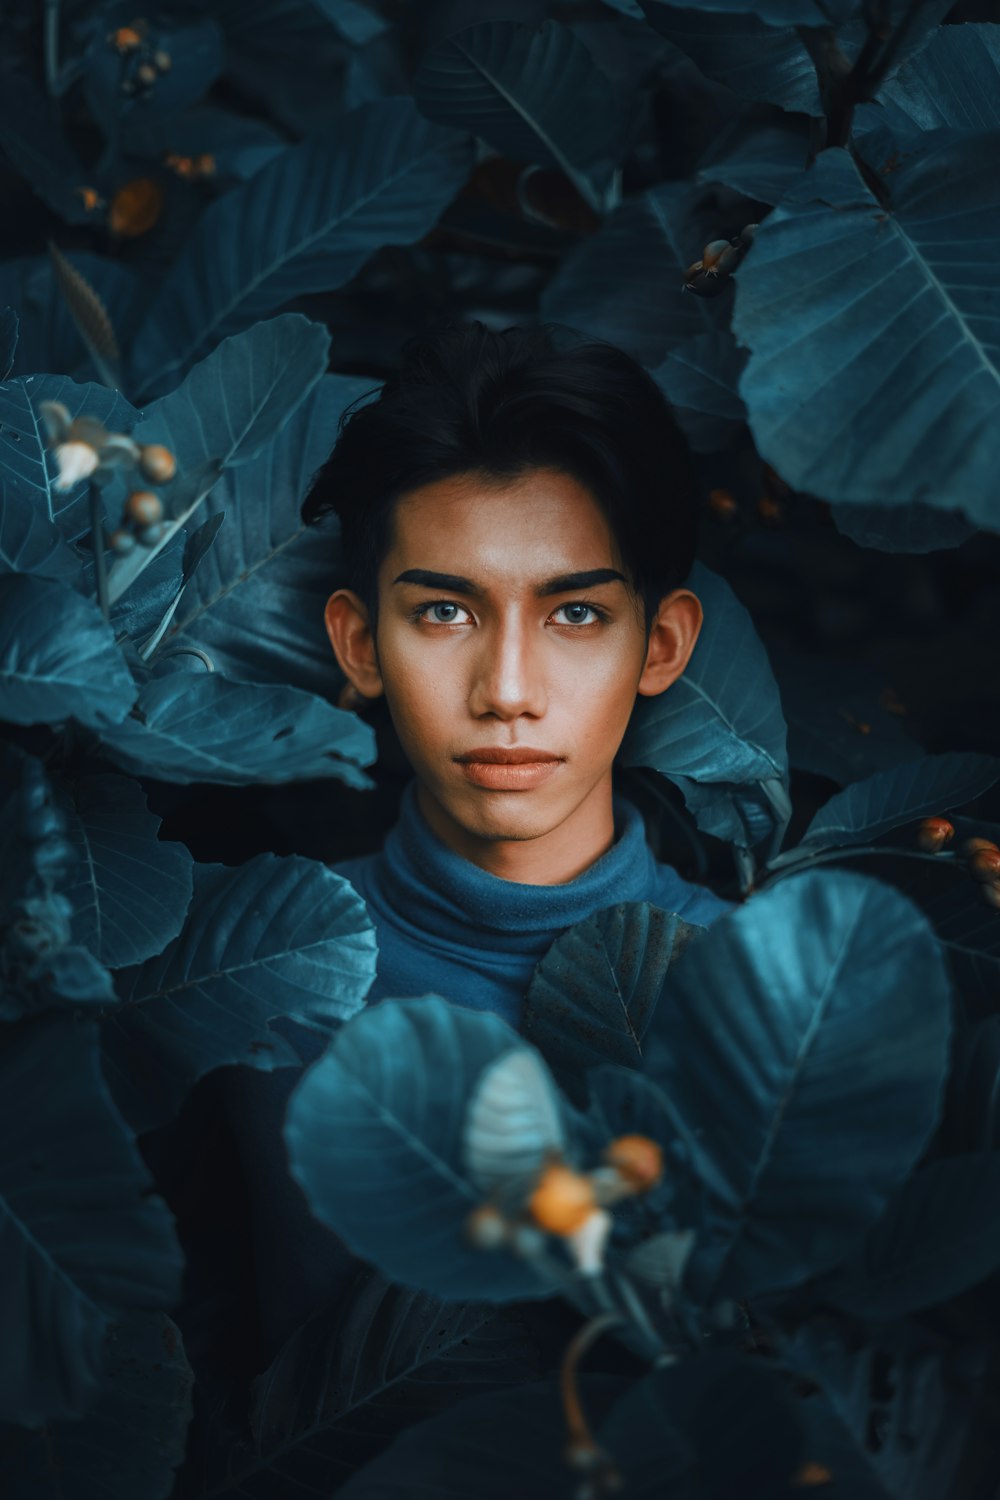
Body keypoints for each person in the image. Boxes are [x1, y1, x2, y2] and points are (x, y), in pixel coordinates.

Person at [222, 319, 738, 1358]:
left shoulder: (767, 996)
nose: (507, 693)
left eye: (576, 616)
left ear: (663, 643)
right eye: (446, 613)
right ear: (360, 645)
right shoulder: (248, 983)